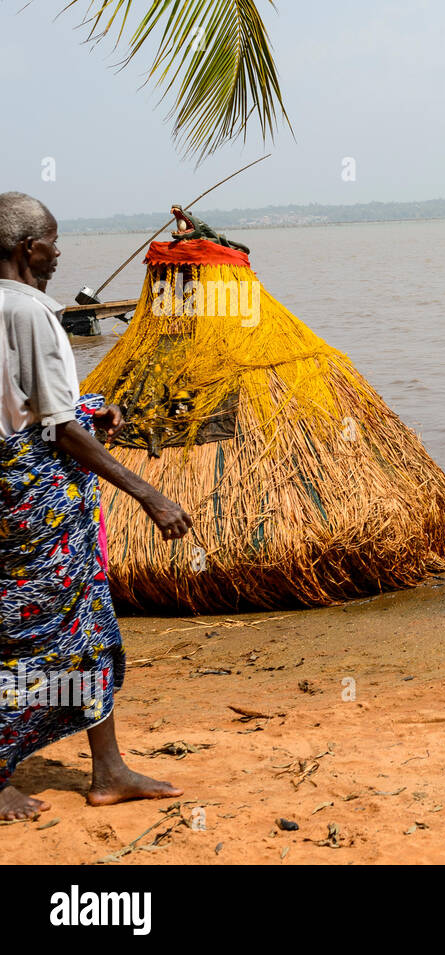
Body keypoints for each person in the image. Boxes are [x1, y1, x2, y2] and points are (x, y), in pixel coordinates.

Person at [0, 192, 193, 821]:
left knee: (79, 625)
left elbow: (23, 410)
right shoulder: (32, 312)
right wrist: (149, 494)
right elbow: (54, 430)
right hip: (38, 507)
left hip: (13, 497)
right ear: (29, 248)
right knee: (33, 633)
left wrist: (86, 410)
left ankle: (108, 768)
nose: (58, 253)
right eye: (52, 241)